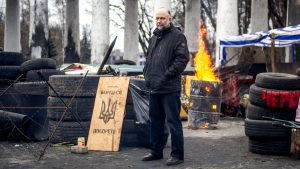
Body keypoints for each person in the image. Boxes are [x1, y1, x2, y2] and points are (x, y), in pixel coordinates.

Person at [142, 7, 189, 166]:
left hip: (169, 88)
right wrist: (146, 74)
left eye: (162, 18)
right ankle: (156, 151)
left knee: (173, 122)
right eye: (157, 18)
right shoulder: (154, 37)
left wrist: (166, 75)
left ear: (169, 19)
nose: (159, 21)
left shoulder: (178, 36)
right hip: (154, 87)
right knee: (155, 121)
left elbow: (182, 60)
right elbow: (149, 59)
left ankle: (177, 155)